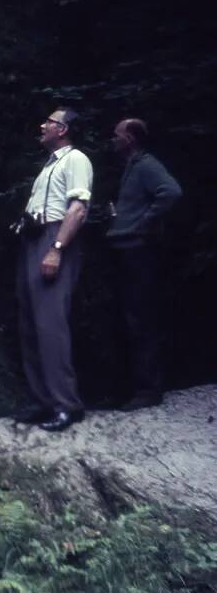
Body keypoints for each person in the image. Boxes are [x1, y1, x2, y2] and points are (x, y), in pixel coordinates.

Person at [15, 108, 93, 431]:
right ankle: (42, 401)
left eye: (49, 121)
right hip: (35, 239)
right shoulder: (50, 165)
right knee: (30, 322)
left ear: (63, 129)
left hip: (55, 239)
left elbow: (77, 209)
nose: (42, 124)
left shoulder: (76, 159)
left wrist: (57, 249)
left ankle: (66, 404)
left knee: (50, 323)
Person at [107, 118, 182, 410]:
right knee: (130, 317)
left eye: (117, 135)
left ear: (131, 138)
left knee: (140, 318)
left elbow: (172, 191)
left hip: (138, 250)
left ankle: (148, 391)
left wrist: (143, 223)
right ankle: (136, 387)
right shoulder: (131, 166)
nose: (113, 139)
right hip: (126, 249)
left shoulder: (147, 164)